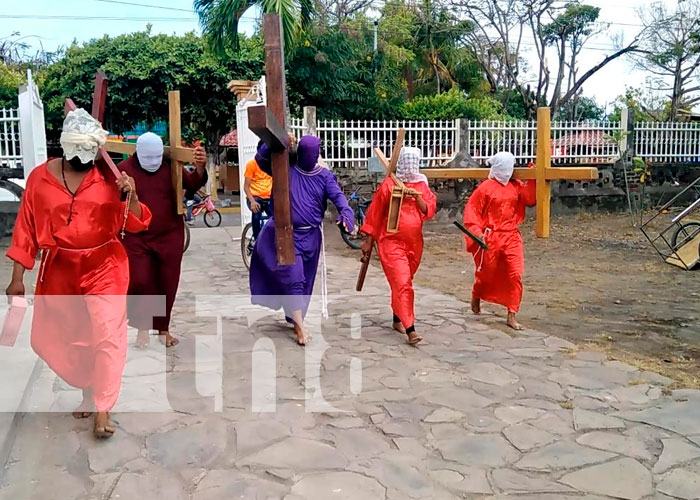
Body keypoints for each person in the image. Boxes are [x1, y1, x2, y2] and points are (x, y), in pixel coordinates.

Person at [5, 108, 152, 438]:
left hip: (106, 265)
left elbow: (137, 222)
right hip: (60, 269)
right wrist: (17, 277)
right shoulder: (40, 179)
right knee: (67, 338)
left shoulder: (111, 179)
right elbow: (26, 228)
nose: (85, 163)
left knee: (107, 334)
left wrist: (132, 194)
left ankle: (103, 408)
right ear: (65, 147)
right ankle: (89, 388)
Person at [249, 136, 354, 346]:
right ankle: (300, 328)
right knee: (294, 277)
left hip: (311, 237)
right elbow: (261, 158)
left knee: (304, 281)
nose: (311, 155)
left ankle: (294, 316)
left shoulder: (324, 176)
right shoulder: (285, 169)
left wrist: (347, 214)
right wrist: (275, 141)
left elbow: (339, 197)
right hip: (286, 234)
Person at [118, 132, 208, 348]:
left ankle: (163, 329)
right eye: (147, 158)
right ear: (137, 154)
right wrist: (124, 190)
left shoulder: (171, 167)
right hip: (137, 236)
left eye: (156, 158)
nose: (152, 163)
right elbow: (115, 197)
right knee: (141, 281)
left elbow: (193, 183)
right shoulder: (125, 169)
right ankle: (142, 328)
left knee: (167, 282)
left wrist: (200, 167)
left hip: (169, 234)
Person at [360, 147, 437, 345]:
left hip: (414, 242)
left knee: (404, 280)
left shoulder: (421, 185)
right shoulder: (388, 185)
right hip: (391, 241)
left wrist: (417, 196)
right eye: (408, 162)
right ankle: (410, 328)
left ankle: (397, 318)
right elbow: (375, 214)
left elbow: (429, 210)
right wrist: (369, 240)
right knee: (402, 282)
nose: (411, 166)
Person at [462, 151, 536, 330]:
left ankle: (512, 313)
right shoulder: (485, 188)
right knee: (487, 273)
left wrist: (534, 178)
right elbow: (472, 212)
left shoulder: (516, 185)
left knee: (515, 273)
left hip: (511, 236)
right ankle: (477, 294)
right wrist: (477, 232)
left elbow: (529, 199)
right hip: (491, 236)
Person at [244, 140, 273, 240]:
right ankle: (257, 240)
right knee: (256, 211)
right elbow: (246, 187)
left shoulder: (271, 165)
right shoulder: (251, 165)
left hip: (268, 197)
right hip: (255, 197)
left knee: (276, 217)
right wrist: (251, 201)